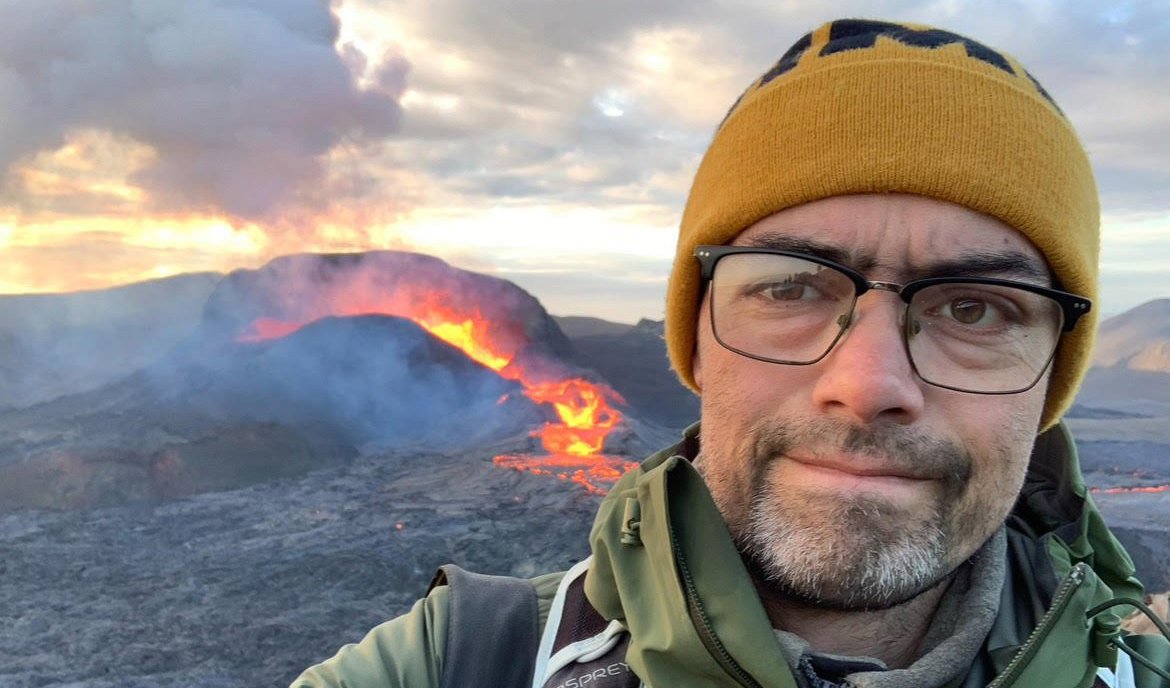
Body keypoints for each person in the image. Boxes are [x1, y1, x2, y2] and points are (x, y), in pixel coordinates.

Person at [293, 18, 1170, 688]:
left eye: (975, 307)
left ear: (1053, 375)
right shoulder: (463, 661)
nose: (867, 385)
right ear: (697, 343)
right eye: (791, 288)